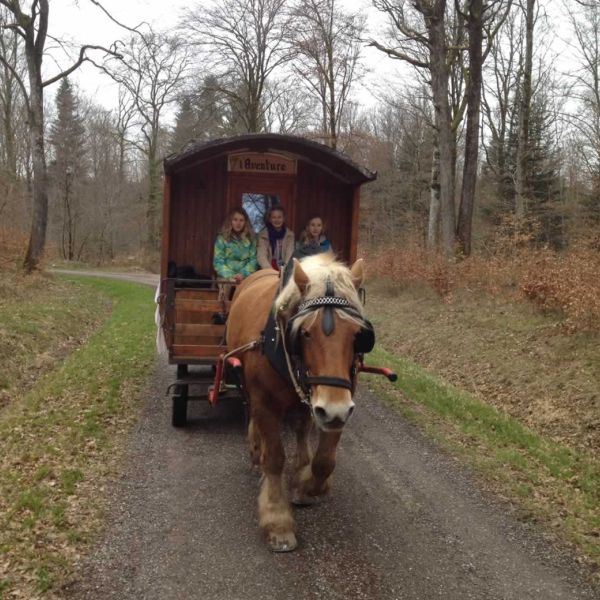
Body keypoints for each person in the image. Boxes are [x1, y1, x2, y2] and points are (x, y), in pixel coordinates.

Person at [213, 207, 258, 284]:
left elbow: (253, 260)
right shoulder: (222, 238)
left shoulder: (251, 239)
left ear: (245, 222)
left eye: (241, 220)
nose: (238, 223)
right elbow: (218, 262)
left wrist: (243, 274)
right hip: (226, 277)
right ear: (230, 221)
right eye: (235, 220)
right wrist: (231, 276)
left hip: (246, 276)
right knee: (227, 285)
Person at [257, 205, 295, 271]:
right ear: (270, 219)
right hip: (268, 267)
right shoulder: (263, 235)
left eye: (279, 217)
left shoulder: (289, 235)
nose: (277, 220)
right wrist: (269, 271)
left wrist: (284, 270)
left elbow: (289, 254)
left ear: (283, 218)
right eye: (274, 217)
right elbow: (261, 256)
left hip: (284, 267)